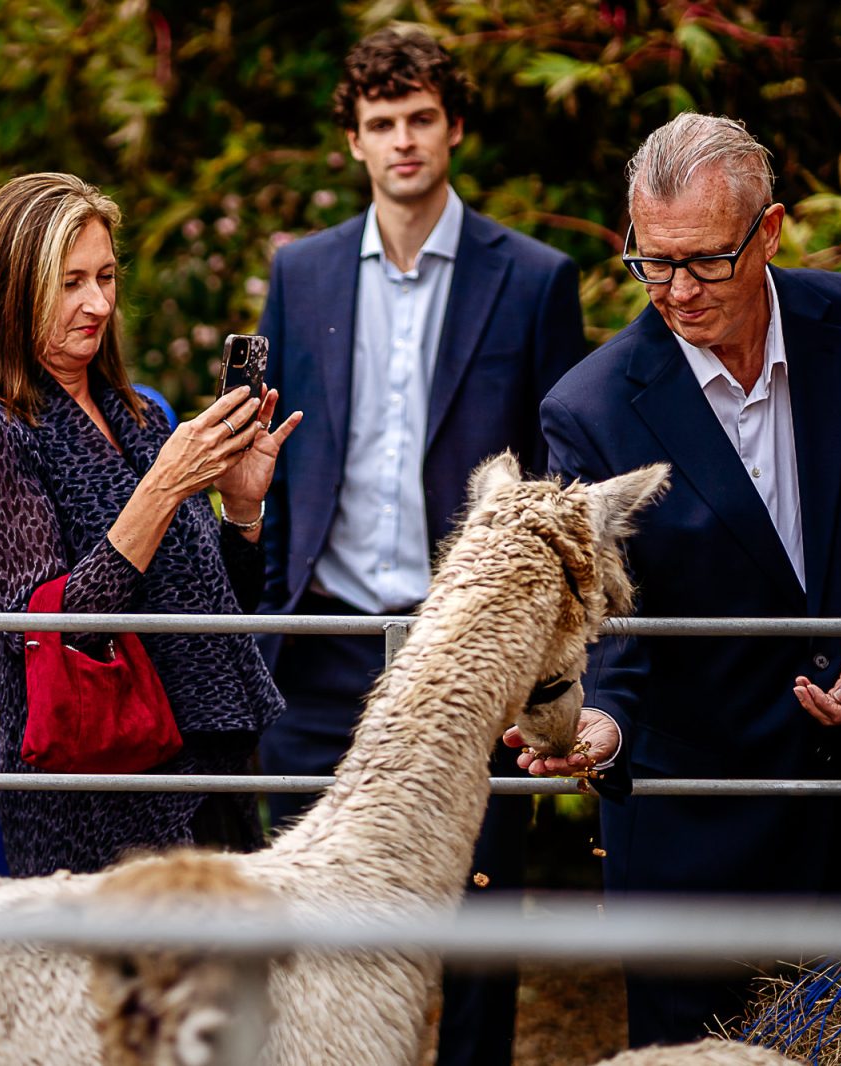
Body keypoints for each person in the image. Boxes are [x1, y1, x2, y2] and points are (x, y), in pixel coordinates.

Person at [527, 112, 841, 1046]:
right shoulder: (586, 409)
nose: (677, 291)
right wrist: (602, 724)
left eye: (705, 261)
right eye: (652, 263)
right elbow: (606, 624)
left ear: (771, 230)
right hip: (699, 855)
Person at [253, 26, 584, 1066]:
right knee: (301, 901)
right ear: (352, 139)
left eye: (420, 120)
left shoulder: (532, 280)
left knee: (477, 913)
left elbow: (555, 473)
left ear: (452, 128)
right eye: (381, 123)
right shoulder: (299, 273)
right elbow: (271, 450)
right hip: (323, 642)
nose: (402, 141)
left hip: (465, 647)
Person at [0, 172, 301, 877]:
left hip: (211, 771)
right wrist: (162, 488)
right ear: (11, 291)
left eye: (105, 276)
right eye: (70, 283)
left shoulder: (142, 417)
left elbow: (222, 609)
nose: (97, 303)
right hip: (99, 799)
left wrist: (241, 508)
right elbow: (59, 633)